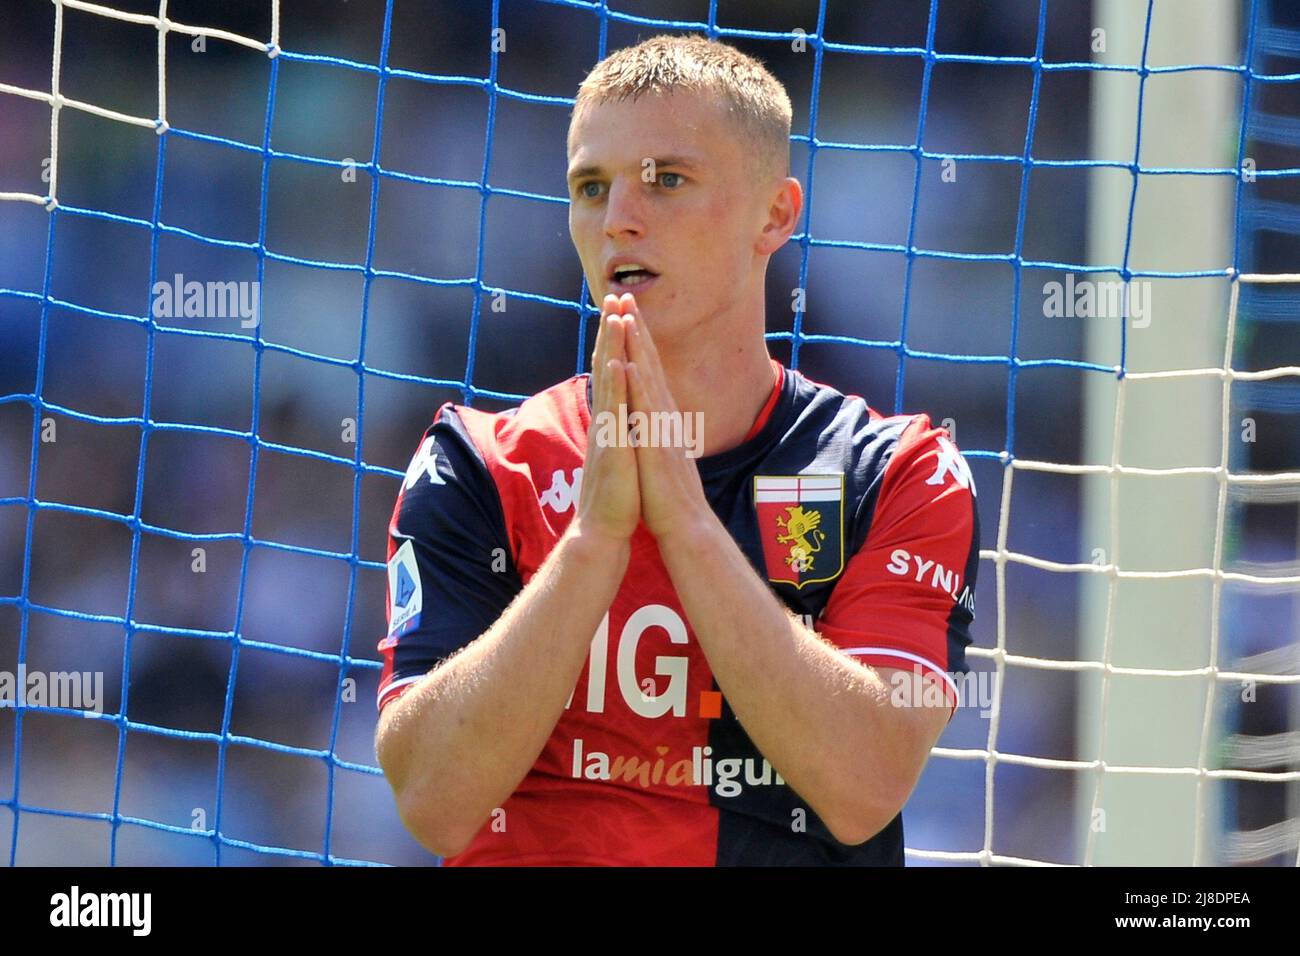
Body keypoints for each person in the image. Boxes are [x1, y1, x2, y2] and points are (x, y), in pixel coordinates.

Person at [373, 33, 979, 866]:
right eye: (591, 187)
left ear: (776, 214)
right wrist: (591, 545)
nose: (618, 216)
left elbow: (863, 785)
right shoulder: (481, 462)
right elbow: (431, 802)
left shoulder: (894, 470)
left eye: (667, 179)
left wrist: (688, 526)